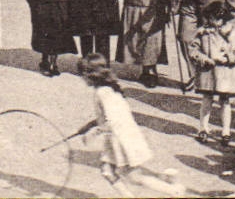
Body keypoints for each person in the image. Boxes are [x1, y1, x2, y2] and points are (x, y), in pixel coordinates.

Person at [73, 54, 182, 194]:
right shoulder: (109, 88)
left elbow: (112, 120)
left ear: (90, 75)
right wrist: (90, 124)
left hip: (120, 139)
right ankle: (167, 181)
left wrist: (92, 133)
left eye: (81, 75)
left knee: (133, 177)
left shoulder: (102, 92)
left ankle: (174, 190)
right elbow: (109, 115)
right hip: (120, 136)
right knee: (108, 172)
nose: (81, 78)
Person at [189, 0, 235, 143]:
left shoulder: (231, 33)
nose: (213, 22)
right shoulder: (203, 33)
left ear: (223, 18)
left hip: (225, 72)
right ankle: (203, 128)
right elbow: (193, 49)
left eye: (216, 19)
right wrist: (202, 58)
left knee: (225, 101)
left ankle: (225, 131)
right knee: (206, 99)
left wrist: (228, 57)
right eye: (210, 19)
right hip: (208, 71)